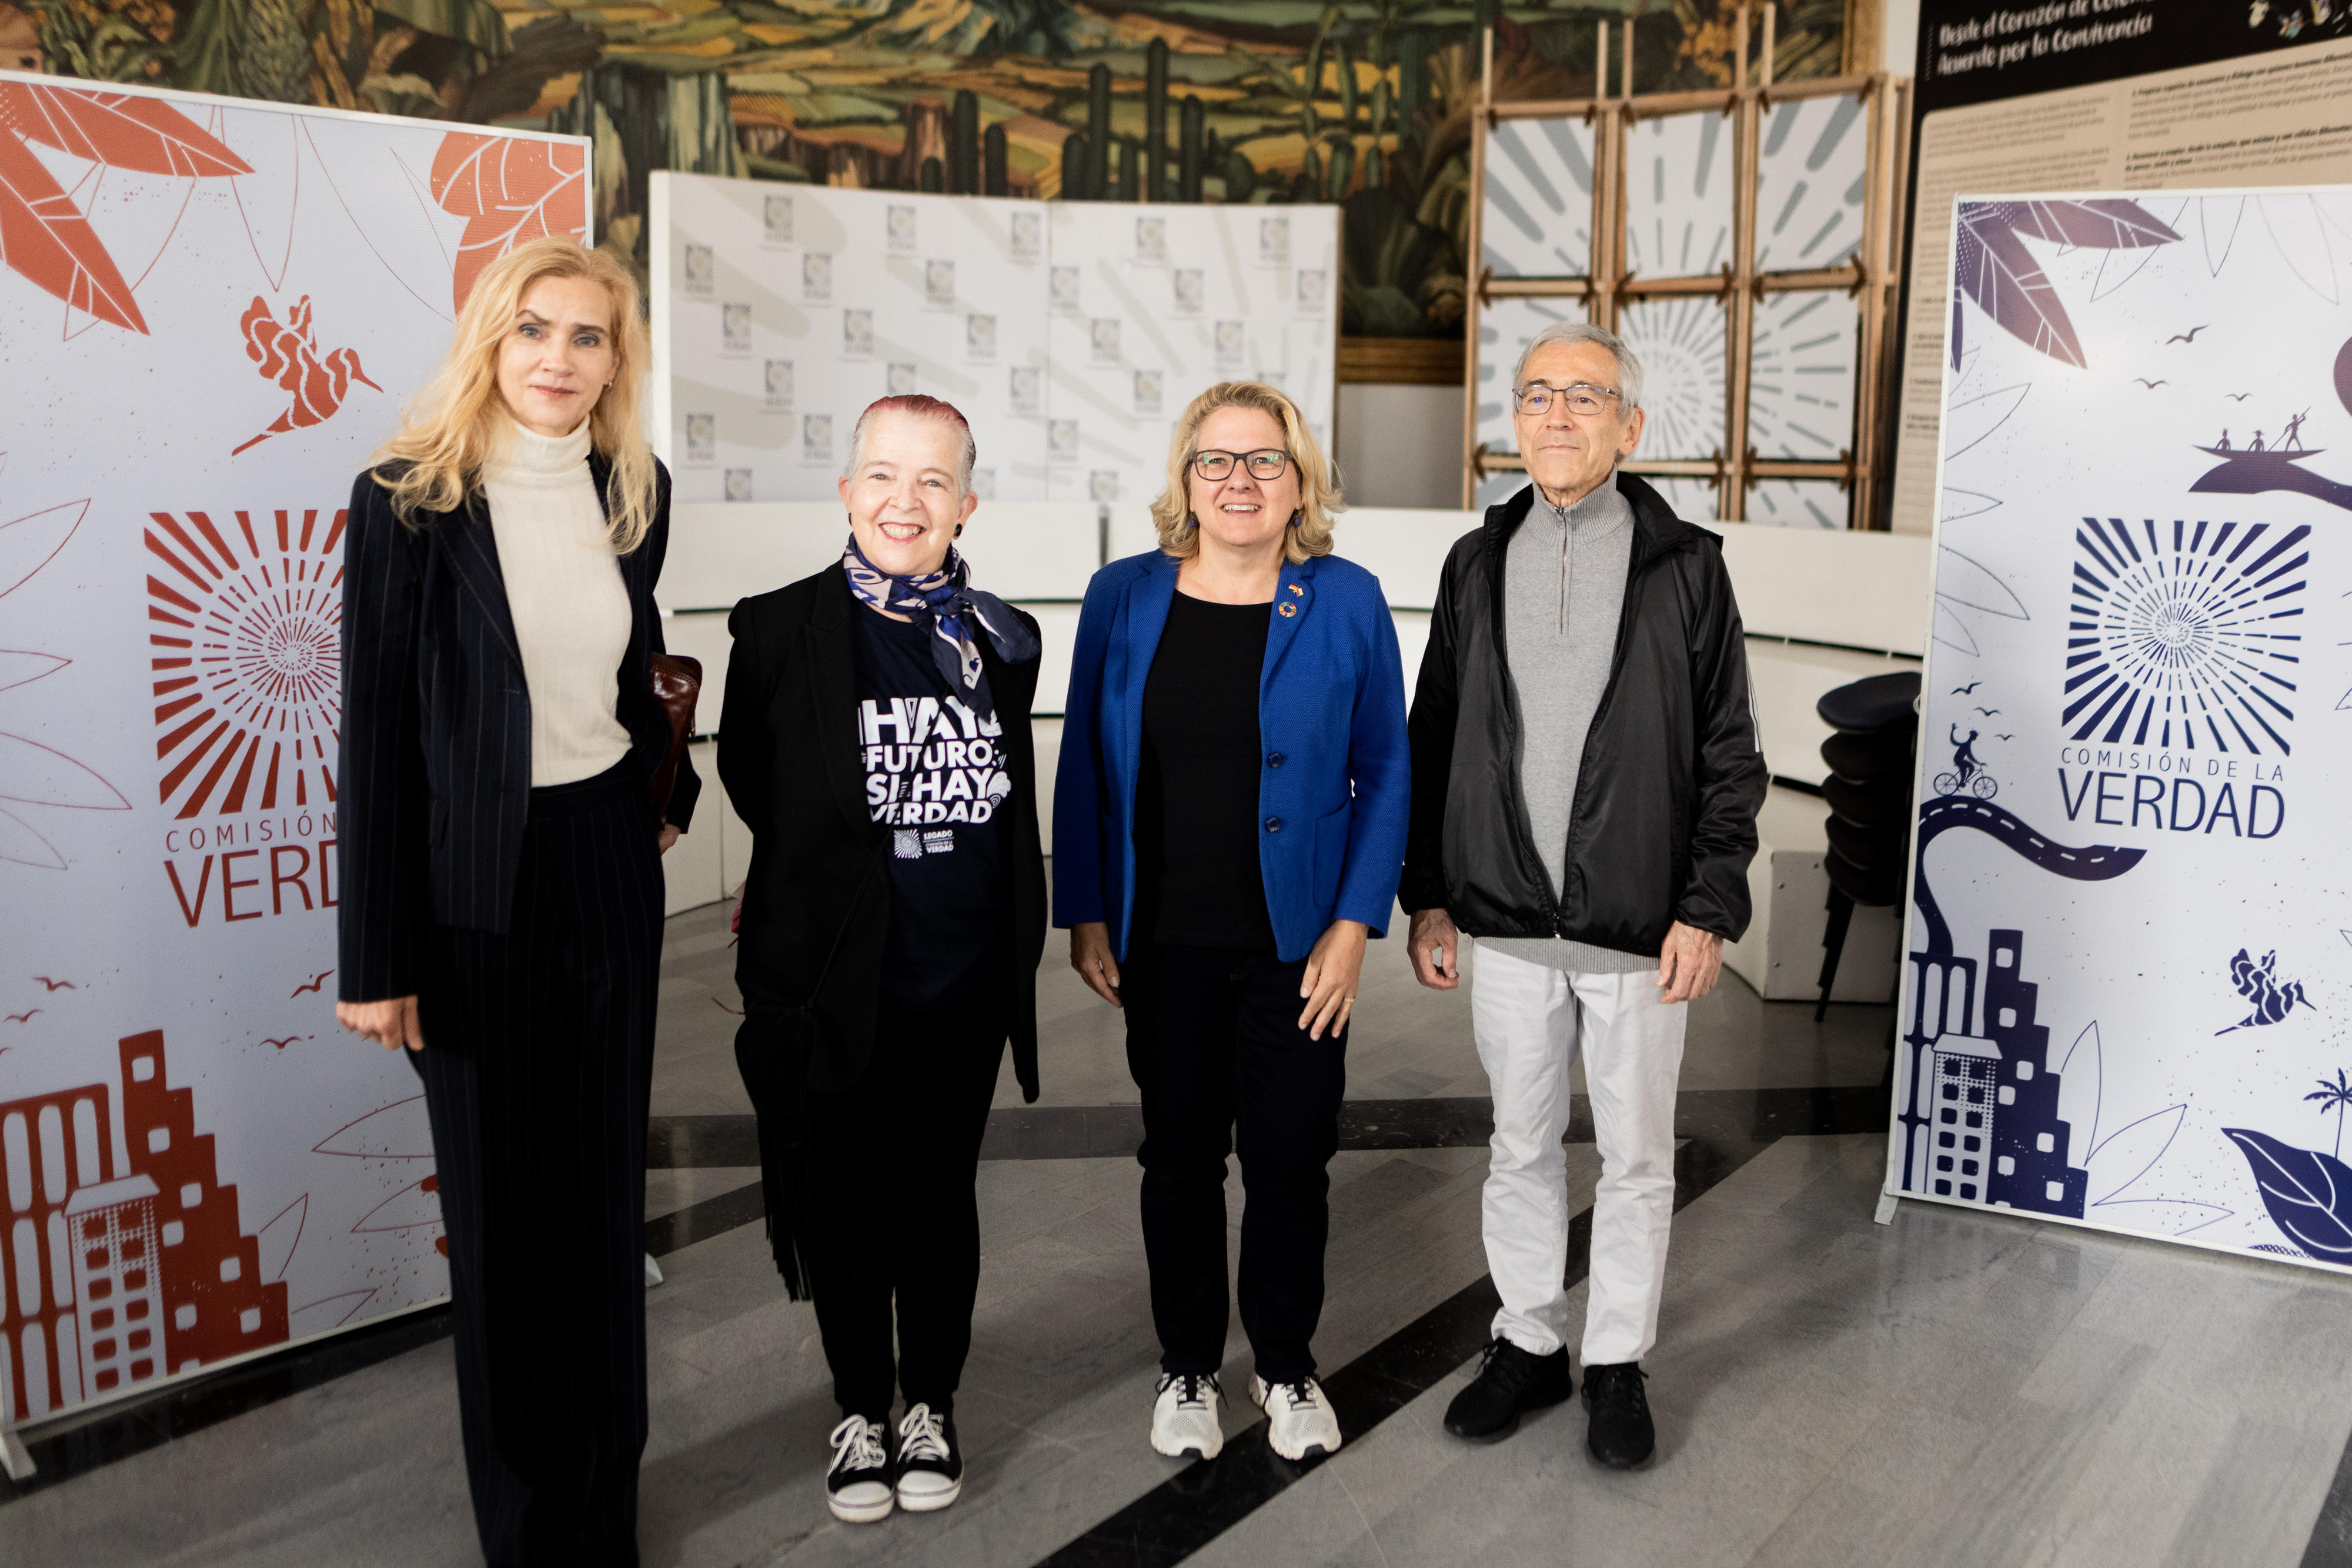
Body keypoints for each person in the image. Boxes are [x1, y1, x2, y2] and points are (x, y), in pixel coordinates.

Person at [334, 235, 699, 1566]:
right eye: (535, 329)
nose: (559, 358)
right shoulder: (406, 500)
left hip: (601, 857)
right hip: (464, 891)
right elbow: (373, 736)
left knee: (601, 1204)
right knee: (503, 1222)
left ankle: (607, 1514)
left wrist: (660, 797)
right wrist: (376, 955)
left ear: (618, 360)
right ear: (491, 337)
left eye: (588, 336)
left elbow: (628, 664)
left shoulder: (635, 492)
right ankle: (530, 1533)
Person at [1402, 322, 1765, 1469]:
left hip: (1638, 932)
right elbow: (1436, 735)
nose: (1556, 415)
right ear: (1516, 419)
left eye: (1583, 396)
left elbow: (1728, 751)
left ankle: (1613, 1359)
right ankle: (1523, 1340)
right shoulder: (1472, 561)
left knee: (1635, 1157)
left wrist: (1706, 906)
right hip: (1502, 921)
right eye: (1536, 395)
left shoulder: (1686, 566)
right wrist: (1426, 893)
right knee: (1517, 1144)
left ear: (1628, 425)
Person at [1055, 381, 1411, 1464]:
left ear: (1300, 480)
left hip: (1297, 944)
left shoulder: (1344, 596)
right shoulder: (1122, 596)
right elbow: (1082, 765)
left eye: (1265, 461)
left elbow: (1387, 766)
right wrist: (1084, 912)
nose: (1240, 481)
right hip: (1161, 938)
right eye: (1217, 461)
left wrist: (1355, 924)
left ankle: (1289, 1368)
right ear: (1186, 478)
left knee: (1292, 1159)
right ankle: (1188, 1365)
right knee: (1177, 1159)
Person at [719, 395, 1047, 1526]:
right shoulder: (772, 631)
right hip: (825, 983)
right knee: (843, 1203)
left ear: (966, 503)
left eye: (932, 481)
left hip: (959, 978)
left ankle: (932, 1402)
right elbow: (762, 791)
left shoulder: (1005, 640)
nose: (905, 501)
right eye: (883, 476)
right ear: (847, 489)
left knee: (936, 1202)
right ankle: (861, 1403)